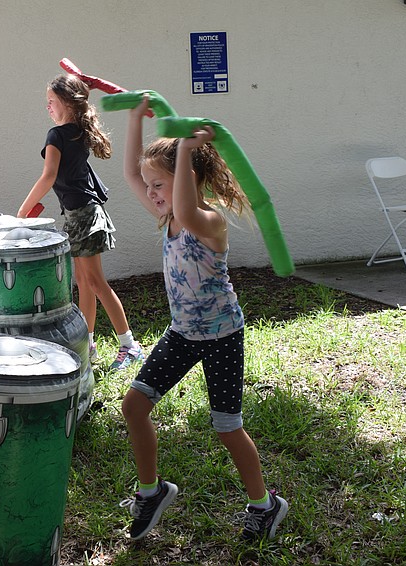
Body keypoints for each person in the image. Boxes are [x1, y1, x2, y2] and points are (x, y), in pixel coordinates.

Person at [118, 96, 288, 541]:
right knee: (134, 407)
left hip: (222, 336)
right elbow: (130, 174)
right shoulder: (170, 218)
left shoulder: (205, 221)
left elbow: (188, 208)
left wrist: (188, 149)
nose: (152, 193)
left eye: (161, 185)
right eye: (151, 186)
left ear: (186, 183)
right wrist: (136, 118)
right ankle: (151, 492)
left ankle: (264, 505)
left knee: (227, 428)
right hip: (182, 334)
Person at [17, 73, 143, 370]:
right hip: (82, 214)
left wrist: (22, 210)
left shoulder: (57, 135)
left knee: (96, 283)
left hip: (84, 216)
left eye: (51, 101)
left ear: (66, 103)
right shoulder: (77, 131)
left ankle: (130, 345)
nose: (47, 107)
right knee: (84, 283)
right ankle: (87, 343)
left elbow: (49, 175)